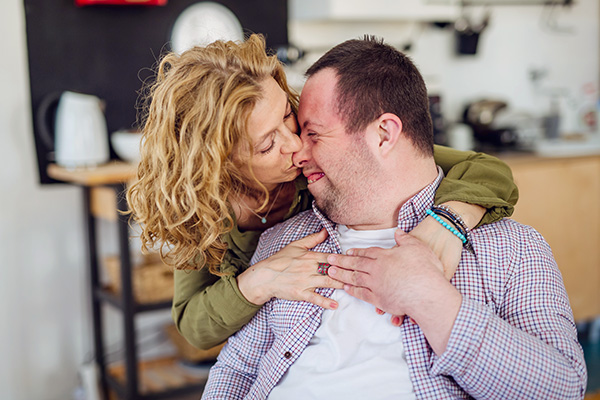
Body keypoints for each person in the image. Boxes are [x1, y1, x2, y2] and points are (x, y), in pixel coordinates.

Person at [202, 36, 587, 399]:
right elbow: (236, 370)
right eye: (273, 142)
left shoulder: (512, 250)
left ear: (384, 134)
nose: (298, 152)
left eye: (313, 134)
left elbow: (562, 389)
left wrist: (430, 299)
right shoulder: (281, 243)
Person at [126, 34, 518, 352]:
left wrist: (447, 223)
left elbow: (487, 169)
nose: (297, 147)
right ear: (218, 164)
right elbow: (194, 325)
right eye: (266, 146)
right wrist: (259, 281)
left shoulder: (312, 151)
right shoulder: (200, 208)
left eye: (286, 116)